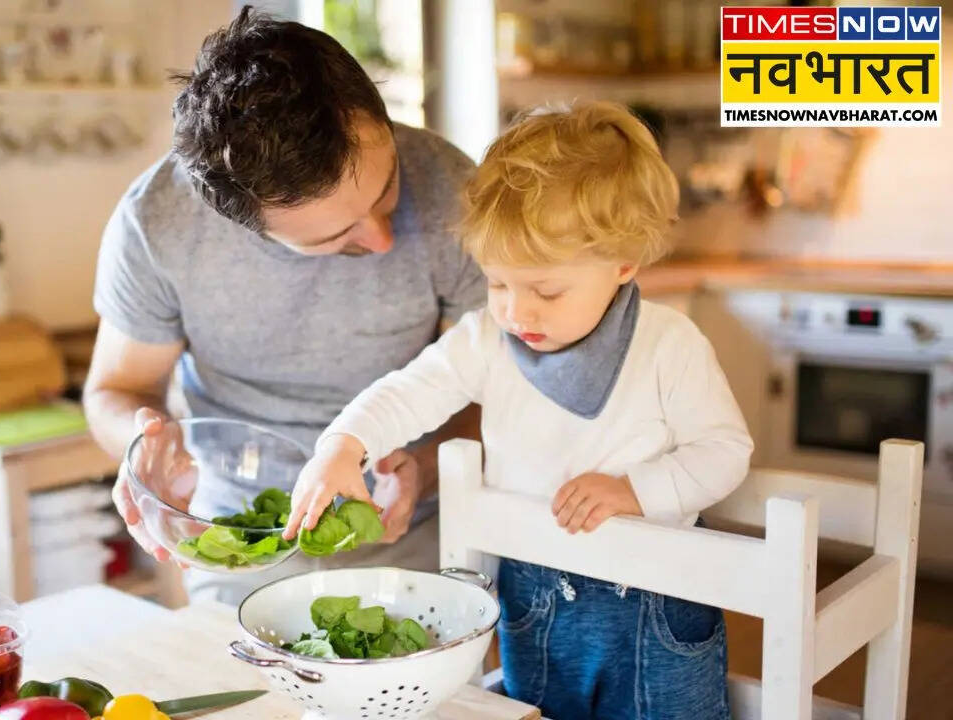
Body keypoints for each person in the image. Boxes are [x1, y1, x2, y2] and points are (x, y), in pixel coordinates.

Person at [283, 102, 753, 720]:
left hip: (655, 603)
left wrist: (634, 491)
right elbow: (409, 390)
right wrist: (344, 445)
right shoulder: (486, 340)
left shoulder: (670, 345)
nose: (516, 312)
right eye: (498, 283)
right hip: (533, 600)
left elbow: (725, 452)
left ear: (624, 263)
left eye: (546, 290)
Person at [84, 7, 485, 605]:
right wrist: (144, 445)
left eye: (386, 190)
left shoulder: (454, 190)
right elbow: (116, 389)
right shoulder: (158, 222)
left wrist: (425, 469)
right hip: (241, 539)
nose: (383, 240)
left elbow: (494, 384)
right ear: (242, 223)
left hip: (420, 533)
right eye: (337, 236)